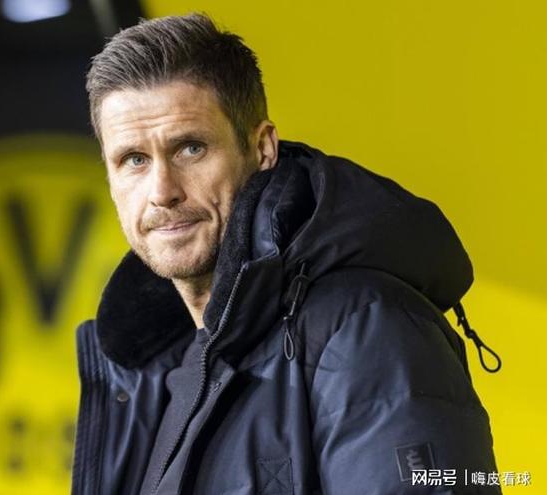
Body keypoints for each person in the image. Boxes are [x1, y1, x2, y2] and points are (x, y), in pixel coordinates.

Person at [72, 13, 500, 495]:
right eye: (133, 160)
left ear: (262, 149)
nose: (162, 191)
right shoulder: (155, 372)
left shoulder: (367, 327)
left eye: (190, 148)